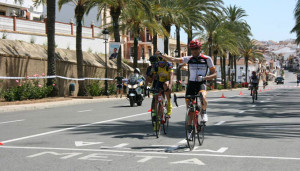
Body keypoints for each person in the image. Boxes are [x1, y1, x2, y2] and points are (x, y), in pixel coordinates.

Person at [156, 39, 217, 126]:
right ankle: (189, 129)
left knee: (202, 97)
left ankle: (203, 111)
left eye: (196, 48)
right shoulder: (188, 59)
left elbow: (214, 74)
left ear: (200, 49)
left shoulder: (207, 59)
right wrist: (162, 55)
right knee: (189, 107)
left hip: (201, 83)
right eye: (192, 49)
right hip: (191, 84)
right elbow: (173, 59)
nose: (194, 51)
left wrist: (204, 77)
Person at [153, 56, 174, 121]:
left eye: (162, 62)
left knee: (165, 85)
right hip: (160, 81)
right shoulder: (156, 66)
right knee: (156, 96)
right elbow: (155, 76)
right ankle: (156, 114)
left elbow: (171, 76)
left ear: (165, 62)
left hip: (167, 81)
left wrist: (170, 85)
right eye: (159, 62)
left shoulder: (168, 65)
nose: (161, 63)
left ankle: (169, 104)